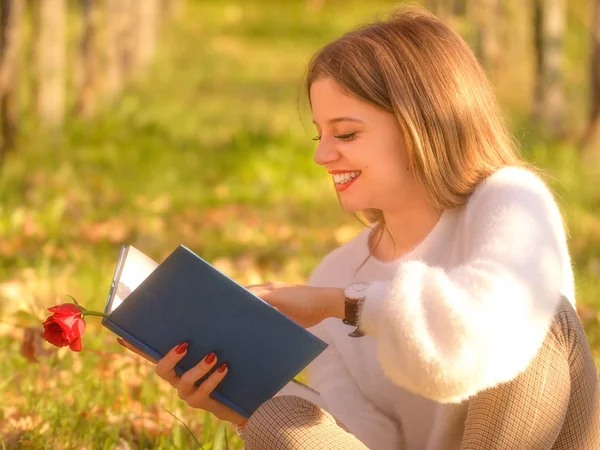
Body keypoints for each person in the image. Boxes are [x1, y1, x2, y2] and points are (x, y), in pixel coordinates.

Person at [119, 5, 600, 449]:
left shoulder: (510, 200)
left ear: (423, 124)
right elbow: (367, 439)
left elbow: (474, 344)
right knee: (274, 417)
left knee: (538, 316)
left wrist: (342, 303)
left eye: (345, 133)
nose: (322, 155)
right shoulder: (337, 268)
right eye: (320, 133)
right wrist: (243, 399)